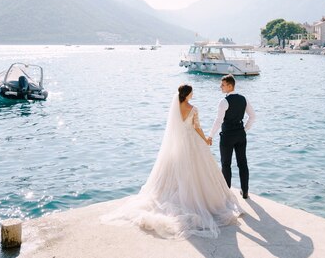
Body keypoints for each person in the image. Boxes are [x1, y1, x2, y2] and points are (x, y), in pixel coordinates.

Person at [102, 84, 242, 239]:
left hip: (177, 144)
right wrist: (206, 140)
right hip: (192, 143)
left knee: (177, 170)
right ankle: (197, 198)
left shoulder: (175, 107)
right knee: (197, 170)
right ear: (188, 94)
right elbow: (197, 128)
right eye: (192, 92)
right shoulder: (193, 109)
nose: (193, 94)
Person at [207, 74, 256, 199]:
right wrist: (244, 130)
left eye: (222, 85)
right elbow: (253, 116)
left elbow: (218, 121)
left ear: (230, 86)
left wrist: (210, 135)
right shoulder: (244, 99)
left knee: (226, 163)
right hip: (240, 135)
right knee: (242, 163)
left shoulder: (224, 101)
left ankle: (226, 193)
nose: (220, 87)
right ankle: (245, 192)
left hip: (227, 136)